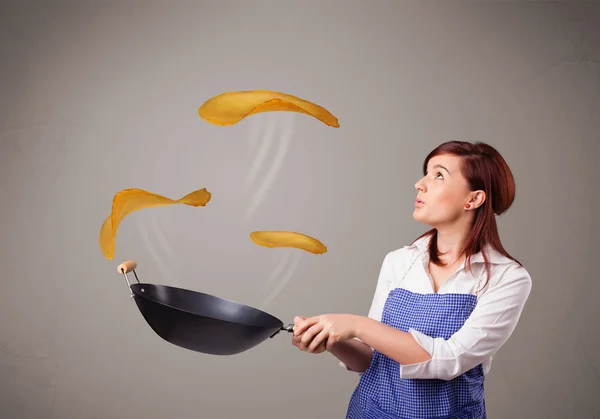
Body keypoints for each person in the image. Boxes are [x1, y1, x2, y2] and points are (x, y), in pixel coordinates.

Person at [292, 140, 532, 419]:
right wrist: (332, 339)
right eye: (426, 173)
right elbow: (372, 359)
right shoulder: (400, 261)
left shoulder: (507, 278)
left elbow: (449, 360)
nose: (420, 184)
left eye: (439, 175)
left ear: (474, 199)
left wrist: (356, 324)